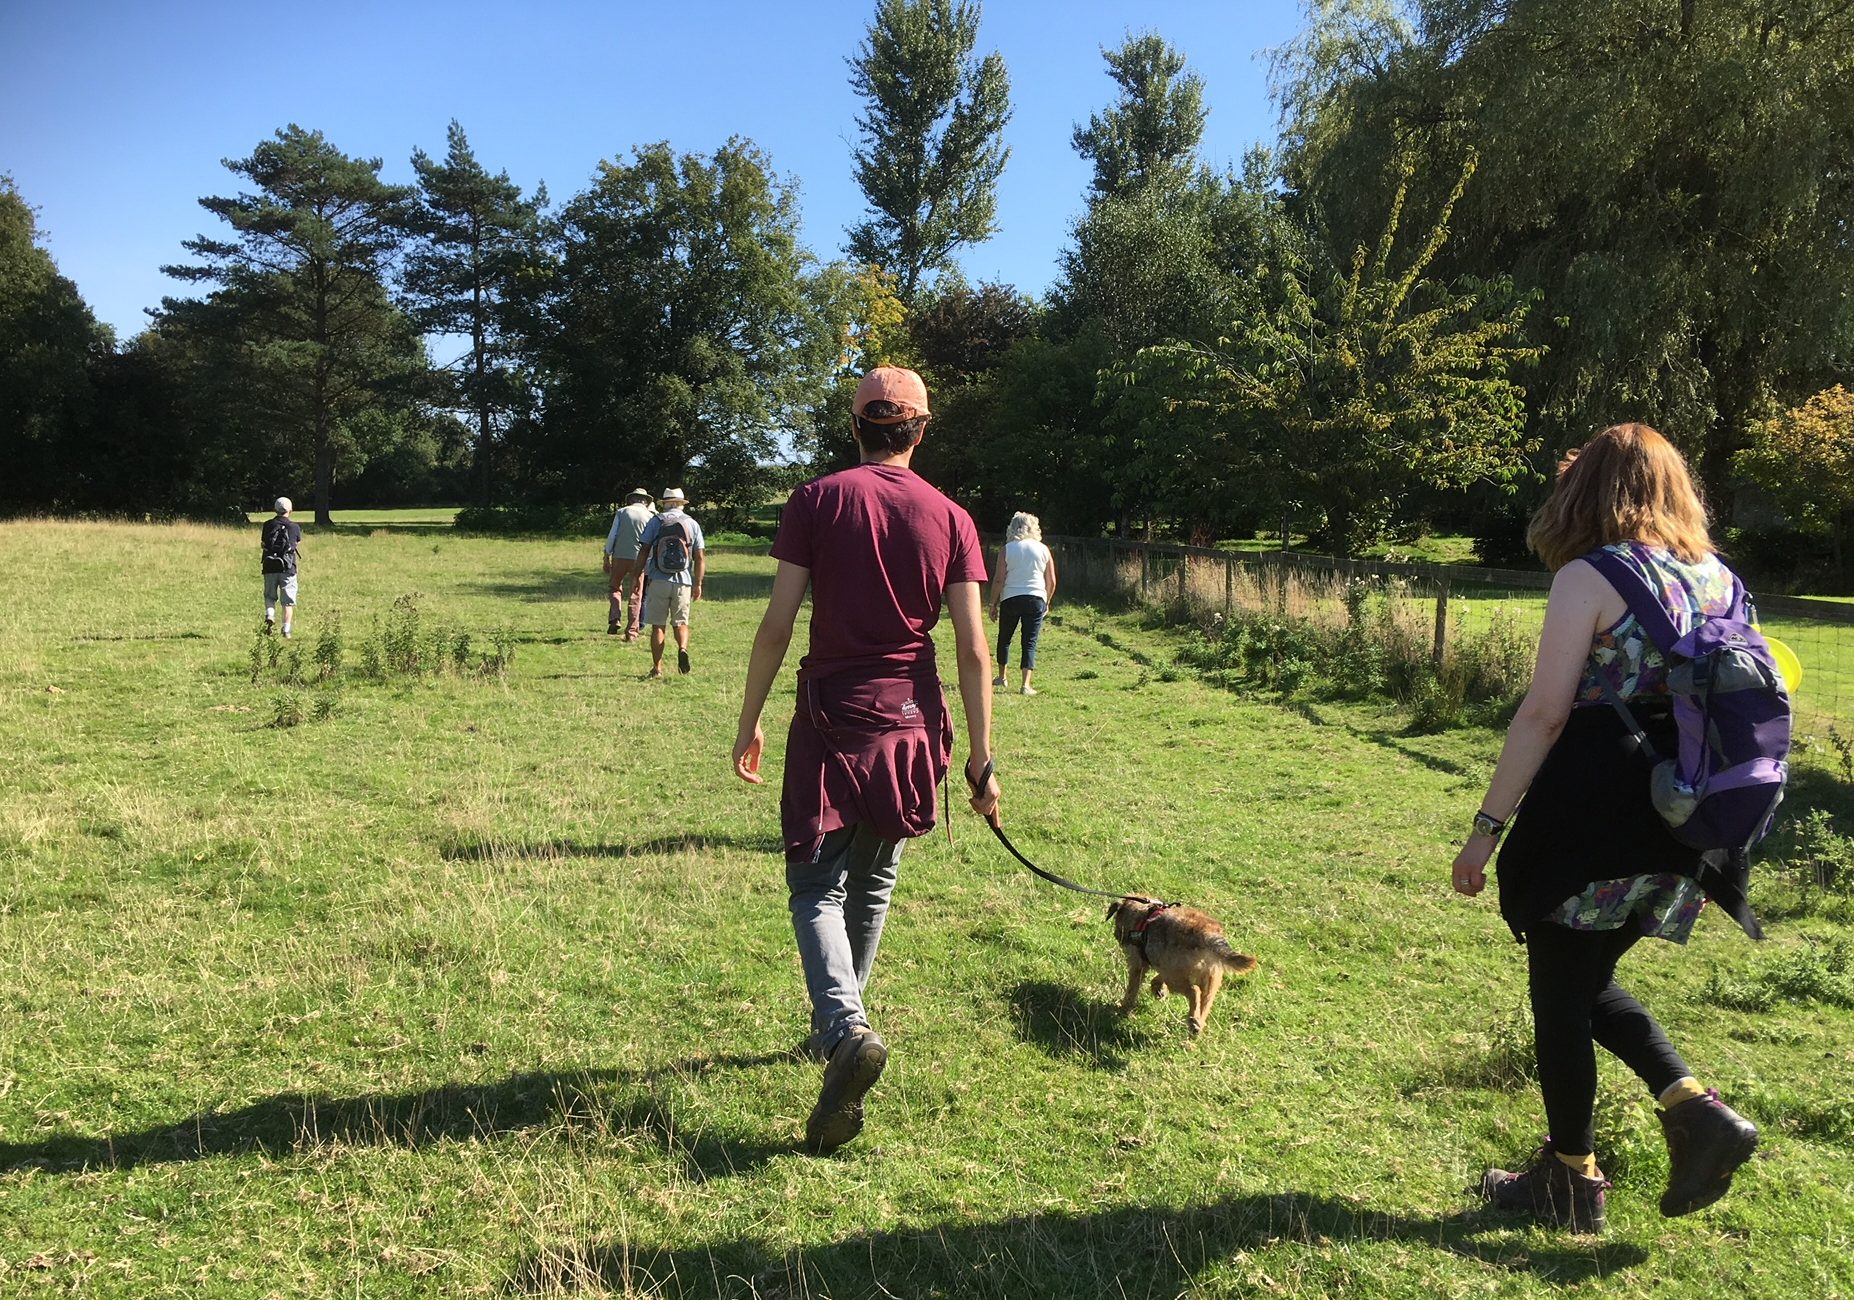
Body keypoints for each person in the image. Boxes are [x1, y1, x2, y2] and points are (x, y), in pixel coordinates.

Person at [1453, 423, 1761, 1234]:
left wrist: (1486, 830)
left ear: (1590, 487)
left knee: (1560, 997)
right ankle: (1690, 1113)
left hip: (1592, 821)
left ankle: (1572, 1177)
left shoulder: (1591, 577)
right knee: (1582, 983)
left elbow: (1546, 713)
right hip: (1685, 823)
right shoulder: (1721, 579)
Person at [732, 366, 1002, 1155]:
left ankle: (844, 1026)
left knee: (815, 883)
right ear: (920, 430)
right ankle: (841, 1029)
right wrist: (983, 761)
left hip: (831, 717)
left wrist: (749, 720)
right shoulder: (952, 516)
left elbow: (777, 626)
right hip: (914, 725)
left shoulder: (817, 501)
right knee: (874, 879)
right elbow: (975, 650)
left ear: (857, 429)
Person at [627, 488, 704, 677]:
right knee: (680, 623)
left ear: (665, 503)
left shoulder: (656, 521)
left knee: (658, 626)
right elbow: (700, 556)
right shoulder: (692, 523)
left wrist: (637, 575)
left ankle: (657, 668)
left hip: (658, 579)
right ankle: (683, 648)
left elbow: (644, 550)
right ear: (681, 503)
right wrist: (698, 583)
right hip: (683, 581)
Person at [989, 511, 1057, 695]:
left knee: (1005, 638)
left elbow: (998, 579)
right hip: (1036, 598)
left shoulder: (1007, 549)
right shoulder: (1044, 549)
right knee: (1029, 642)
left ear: (1012, 528)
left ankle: (1002, 677)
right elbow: (1051, 580)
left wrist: (992, 603)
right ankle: (1026, 685)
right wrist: (1047, 601)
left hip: (1011, 598)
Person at [603, 487, 656, 639]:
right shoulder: (651, 515)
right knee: (636, 593)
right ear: (645, 501)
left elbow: (612, 535)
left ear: (631, 499)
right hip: (640, 558)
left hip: (620, 555)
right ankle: (632, 631)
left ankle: (615, 618)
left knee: (614, 587)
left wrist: (607, 554)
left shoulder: (622, 512)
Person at [260, 496, 303, 639]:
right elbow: (296, 543)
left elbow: (263, 544)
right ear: (290, 509)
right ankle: (286, 630)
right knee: (288, 601)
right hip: (288, 567)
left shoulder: (267, 525)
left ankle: (270, 614)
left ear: (275, 509)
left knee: (269, 596)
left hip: (270, 565)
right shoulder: (295, 527)